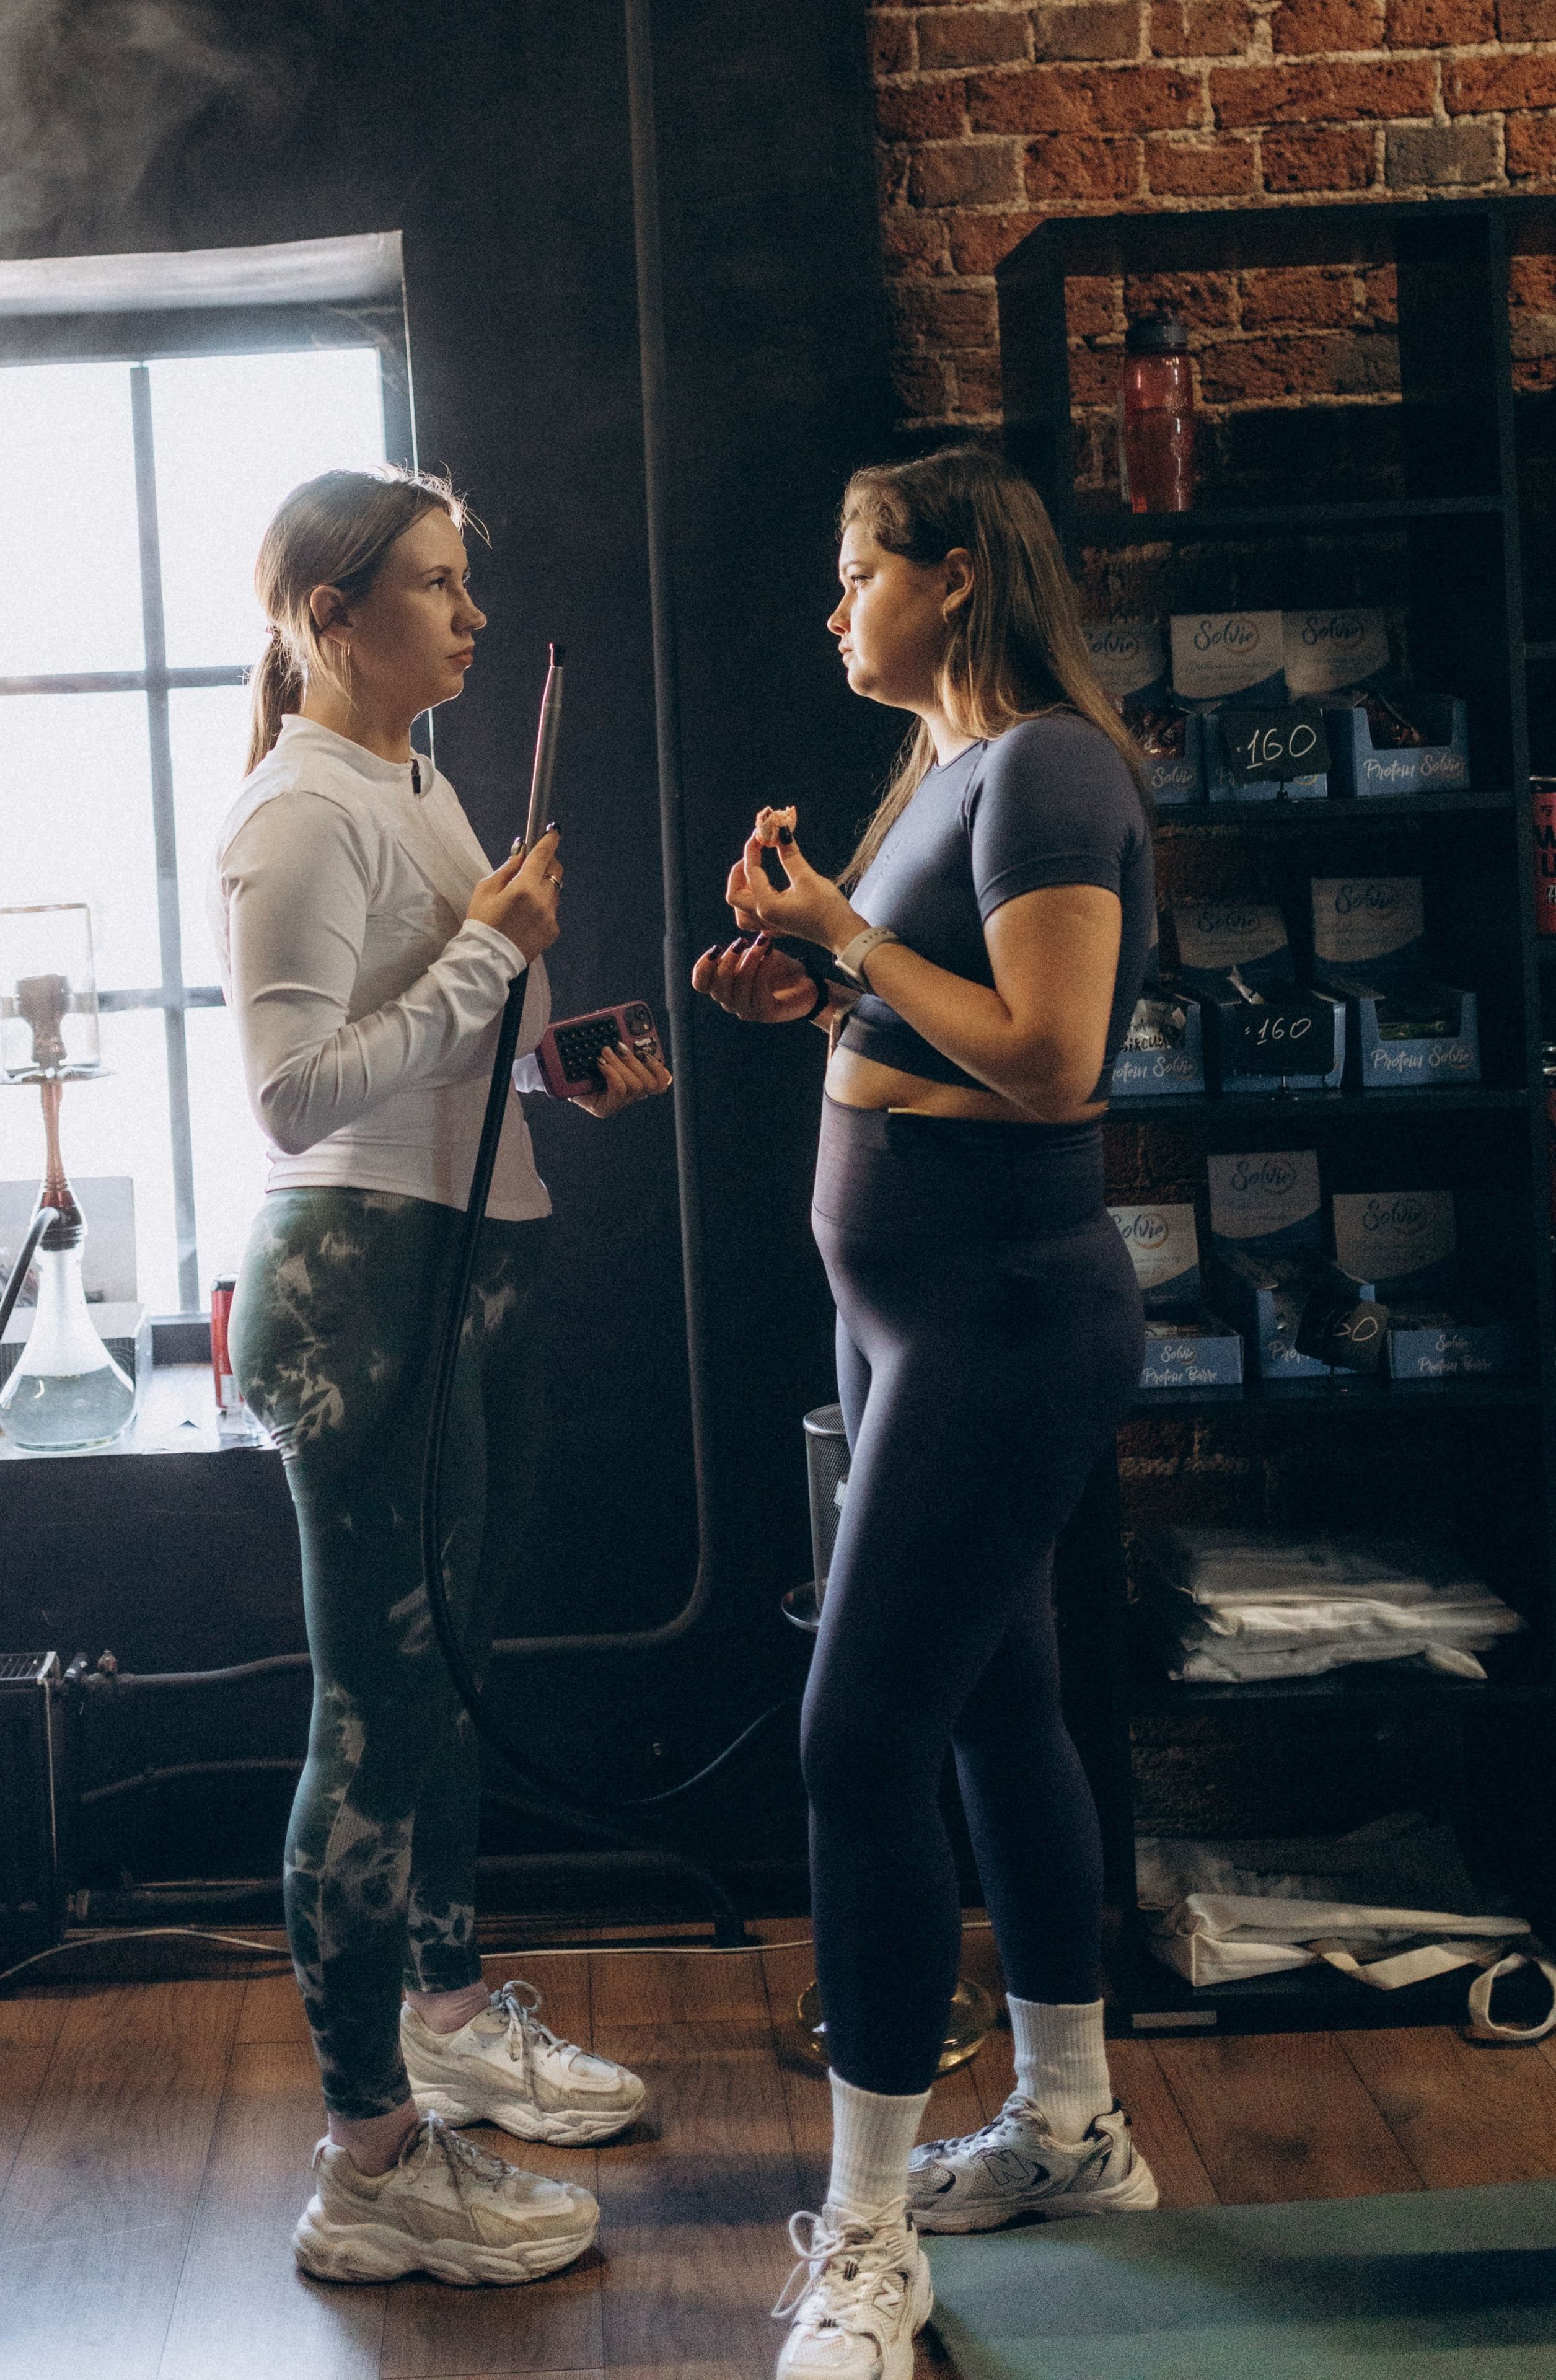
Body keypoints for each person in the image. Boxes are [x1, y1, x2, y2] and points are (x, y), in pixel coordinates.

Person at [693, 446, 1159, 2380]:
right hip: (910, 1316)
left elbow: (1054, 1063)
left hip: (999, 1312)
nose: (836, 606)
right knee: (992, 1710)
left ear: (955, 576)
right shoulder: (950, 774)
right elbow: (942, 1034)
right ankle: (1073, 2133)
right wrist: (823, 1001)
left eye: (859, 569)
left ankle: (871, 2242)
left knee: (857, 1737)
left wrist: (853, 945)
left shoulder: (1048, 767)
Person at [211, 467, 672, 2288]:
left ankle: (452, 2019)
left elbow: (452, 1047)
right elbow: (292, 1099)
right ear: (330, 617)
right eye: (433, 586)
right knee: (372, 1713)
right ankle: (368, 2165)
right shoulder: (298, 808)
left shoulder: (412, 779)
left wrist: (564, 1057)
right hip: (357, 1286)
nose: (472, 617)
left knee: (446, 1678)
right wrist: (492, 949)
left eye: (468, 584)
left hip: (466, 1258)